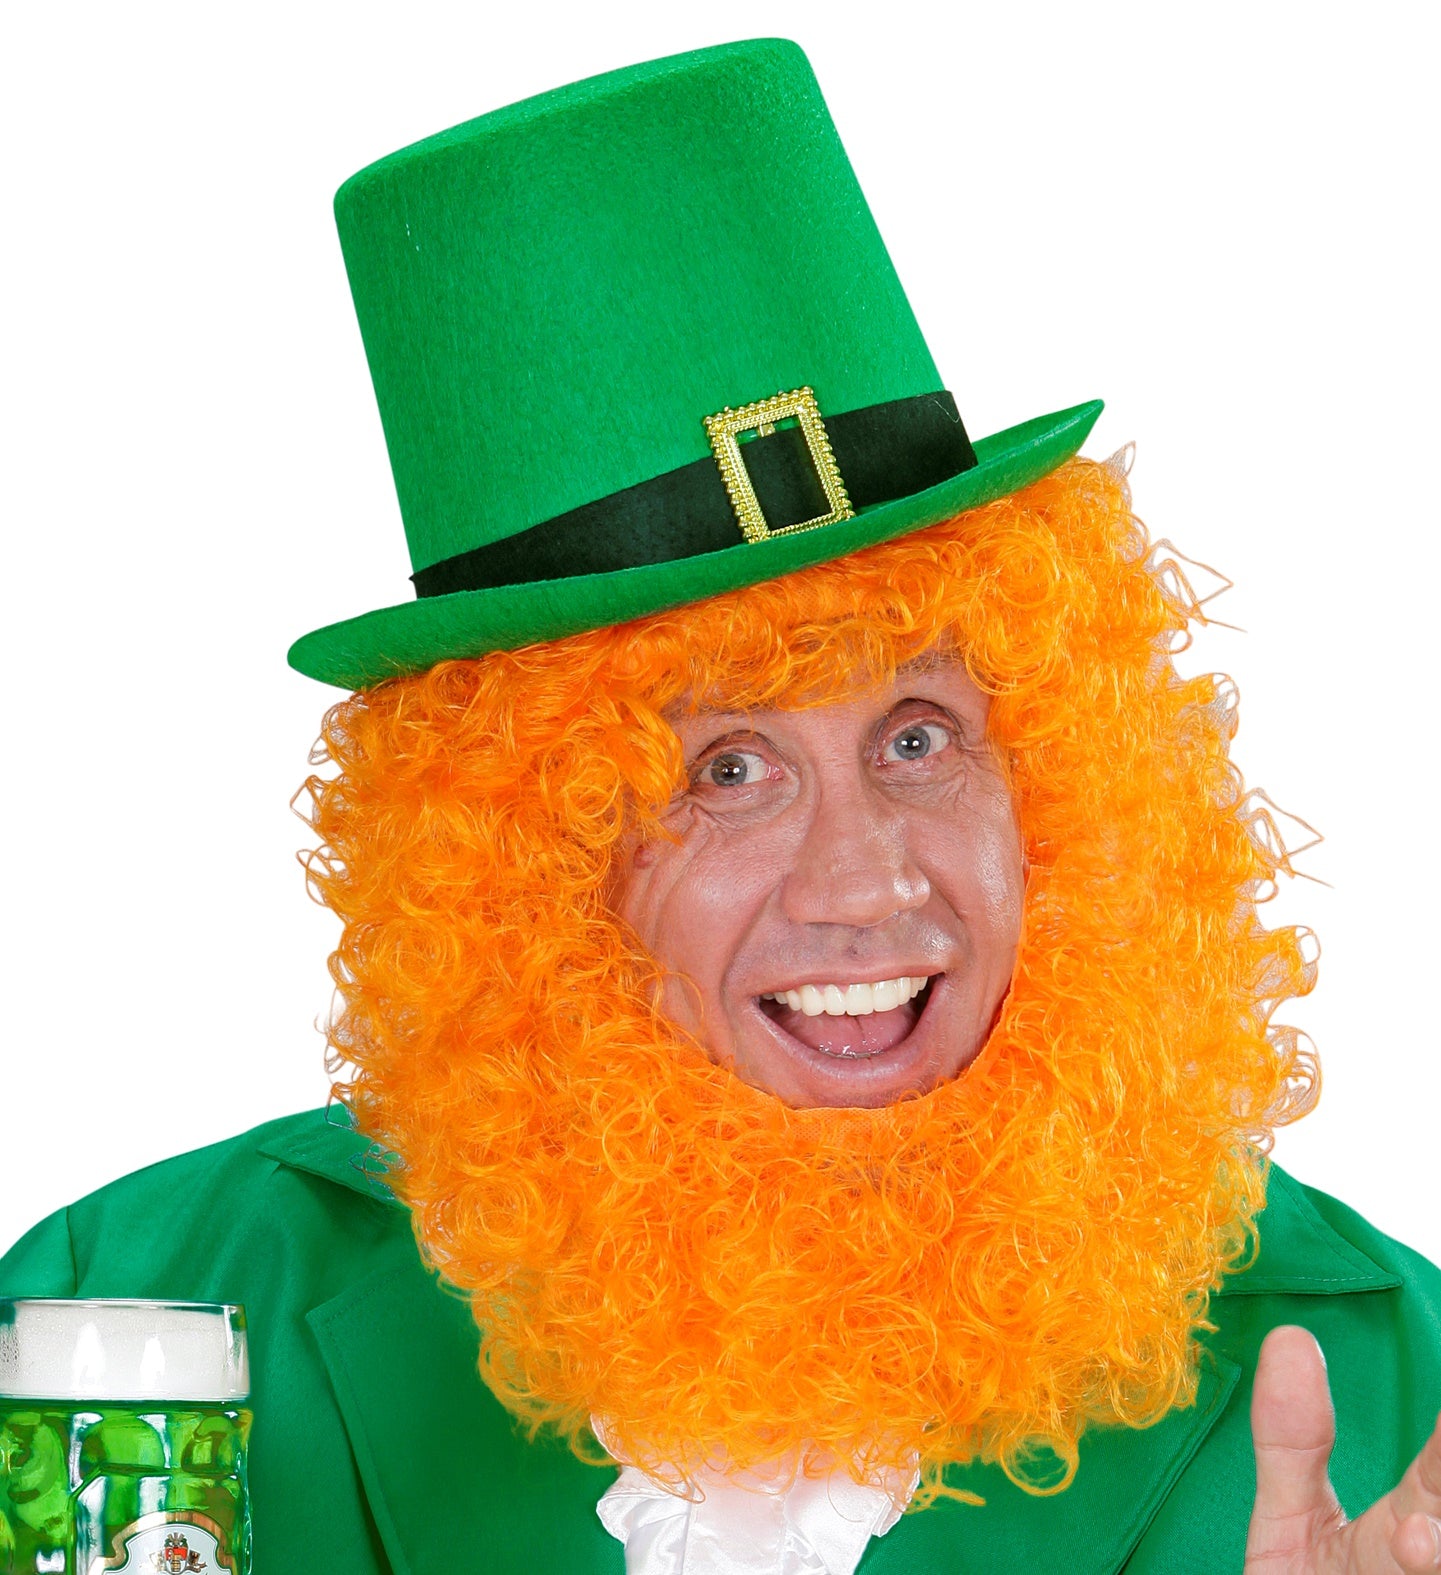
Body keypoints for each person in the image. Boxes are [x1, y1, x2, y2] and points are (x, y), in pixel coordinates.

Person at [3, 37, 1440, 1575]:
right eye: (724, 772)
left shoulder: (1386, 1384)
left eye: (916, 738)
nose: (864, 887)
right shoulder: (137, 1322)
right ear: (523, 866)